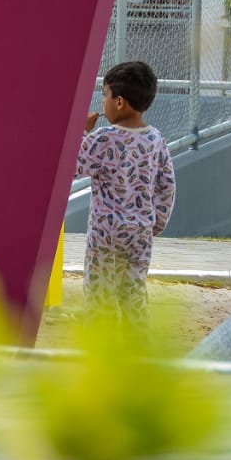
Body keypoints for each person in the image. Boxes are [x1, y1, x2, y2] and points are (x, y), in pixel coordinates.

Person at [74, 60, 176, 340]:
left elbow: (74, 165)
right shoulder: (156, 139)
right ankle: (137, 354)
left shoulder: (104, 138)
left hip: (105, 235)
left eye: (105, 95)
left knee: (99, 296)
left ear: (119, 102)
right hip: (140, 234)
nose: (103, 103)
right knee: (133, 295)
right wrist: (156, 223)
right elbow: (166, 185)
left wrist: (82, 132)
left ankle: (101, 354)